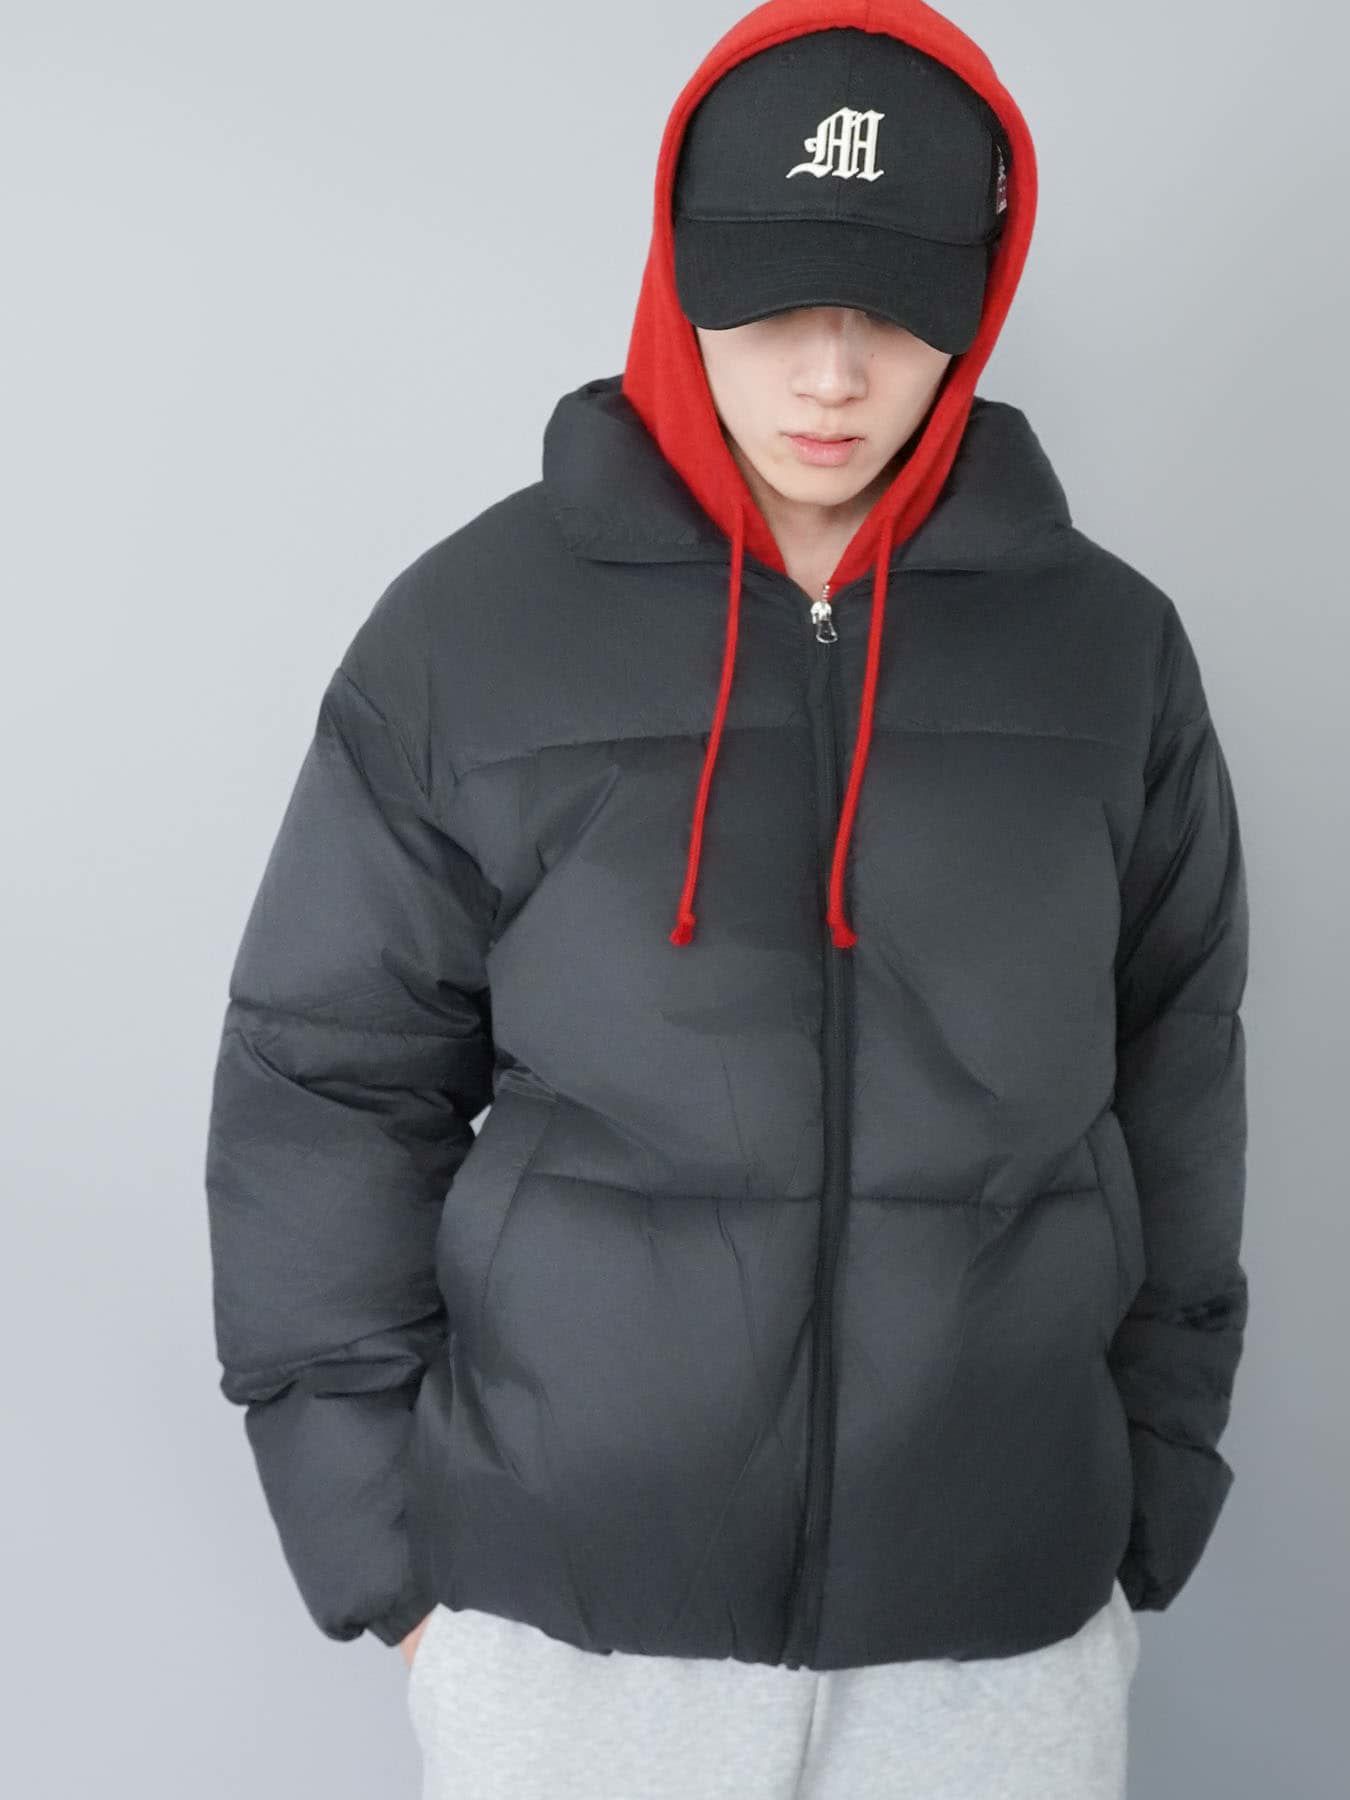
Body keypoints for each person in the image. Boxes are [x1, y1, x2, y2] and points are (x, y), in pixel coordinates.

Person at [203, 2, 1250, 1795]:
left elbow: (1178, 1077)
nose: (831, 376)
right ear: (680, 272)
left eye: (891, 309)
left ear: (978, 292)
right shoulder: (471, 635)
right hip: (567, 1640)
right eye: (775, 304)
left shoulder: (1111, 655)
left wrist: (1142, 1495)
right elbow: (323, 1082)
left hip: (992, 1646)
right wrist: (390, 1557)